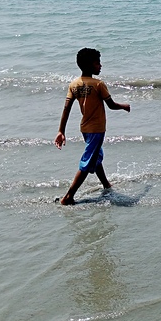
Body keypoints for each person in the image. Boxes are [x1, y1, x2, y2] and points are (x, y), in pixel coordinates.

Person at [54, 48, 131, 205]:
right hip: (97, 129)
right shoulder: (98, 84)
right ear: (90, 65)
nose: (100, 66)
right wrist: (124, 106)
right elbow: (111, 105)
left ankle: (106, 184)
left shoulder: (74, 85)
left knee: (95, 156)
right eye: (97, 63)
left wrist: (61, 130)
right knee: (88, 161)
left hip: (85, 128)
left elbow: (66, 108)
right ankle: (69, 196)